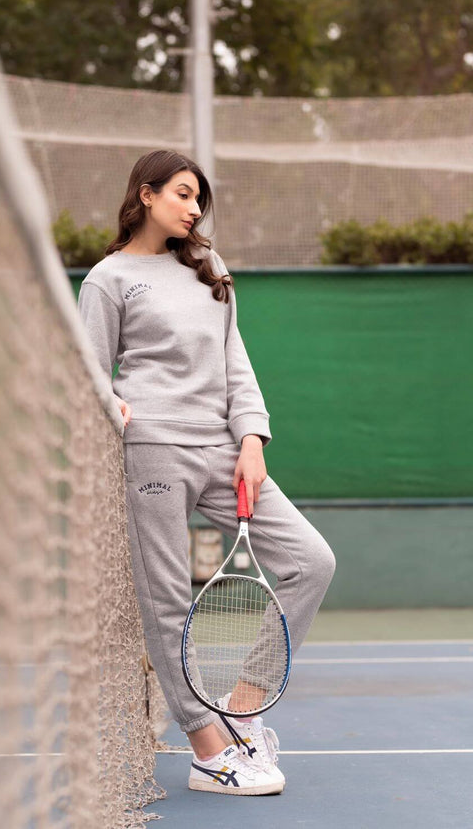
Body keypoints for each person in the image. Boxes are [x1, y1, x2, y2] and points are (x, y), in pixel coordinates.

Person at [78, 149, 335, 796]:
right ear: (145, 194)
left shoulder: (208, 268)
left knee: (312, 560)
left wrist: (252, 436)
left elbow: (234, 358)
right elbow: (87, 371)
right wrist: (113, 405)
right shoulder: (108, 280)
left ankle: (241, 707)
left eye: (199, 200)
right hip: (153, 453)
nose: (195, 209)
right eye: (184, 195)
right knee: (166, 602)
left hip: (224, 451)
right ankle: (205, 749)